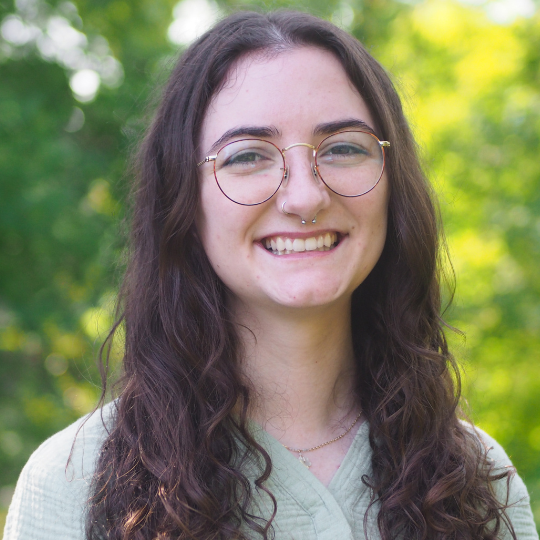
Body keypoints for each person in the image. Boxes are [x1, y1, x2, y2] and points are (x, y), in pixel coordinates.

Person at [3, 10, 538, 540]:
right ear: (184, 202)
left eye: (344, 147)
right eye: (248, 156)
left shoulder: (478, 482)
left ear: (392, 183)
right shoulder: (76, 483)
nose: (305, 195)